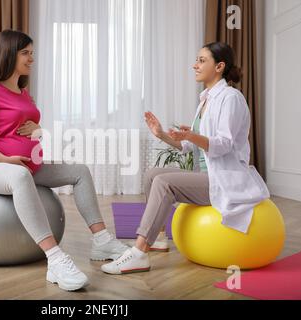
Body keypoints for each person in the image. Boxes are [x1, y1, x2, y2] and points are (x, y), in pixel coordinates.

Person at [0, 30, 129, 291]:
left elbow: (26, 128)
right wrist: (4, 159)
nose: (31, 59)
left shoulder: (23, 92)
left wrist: (38, 129)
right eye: (25, 53)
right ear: (9, 54)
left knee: (80, 171)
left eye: (32, 53)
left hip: (26, 165)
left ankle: (102, 241)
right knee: (19, 176)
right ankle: (55, 259)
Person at [101, 42, 270, 275]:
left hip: (226, 179)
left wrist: (193, 134)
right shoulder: (205, 100)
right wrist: (161, 134)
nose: (195, 65)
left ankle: (139, 252)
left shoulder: (231, 98)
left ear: (219, 66)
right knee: (153, 175)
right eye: (197, 60)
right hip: (208, 176)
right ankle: (159, 237)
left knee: (165, 182)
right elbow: (188, 146)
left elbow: (224, 144)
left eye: (202, 60)